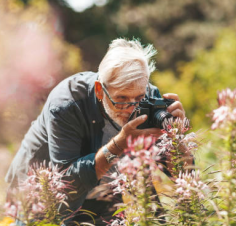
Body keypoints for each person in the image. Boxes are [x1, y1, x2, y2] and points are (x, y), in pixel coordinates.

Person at [5, 38, 186, 225]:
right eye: (121, 99)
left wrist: (175, 138)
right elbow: (68, 181)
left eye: (139, 98)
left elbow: (182, 173)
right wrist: (118, 145)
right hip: (44, 191)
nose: (131, 108)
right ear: (100, 90)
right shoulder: (67, 104)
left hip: (104, 192)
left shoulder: (149, 99)